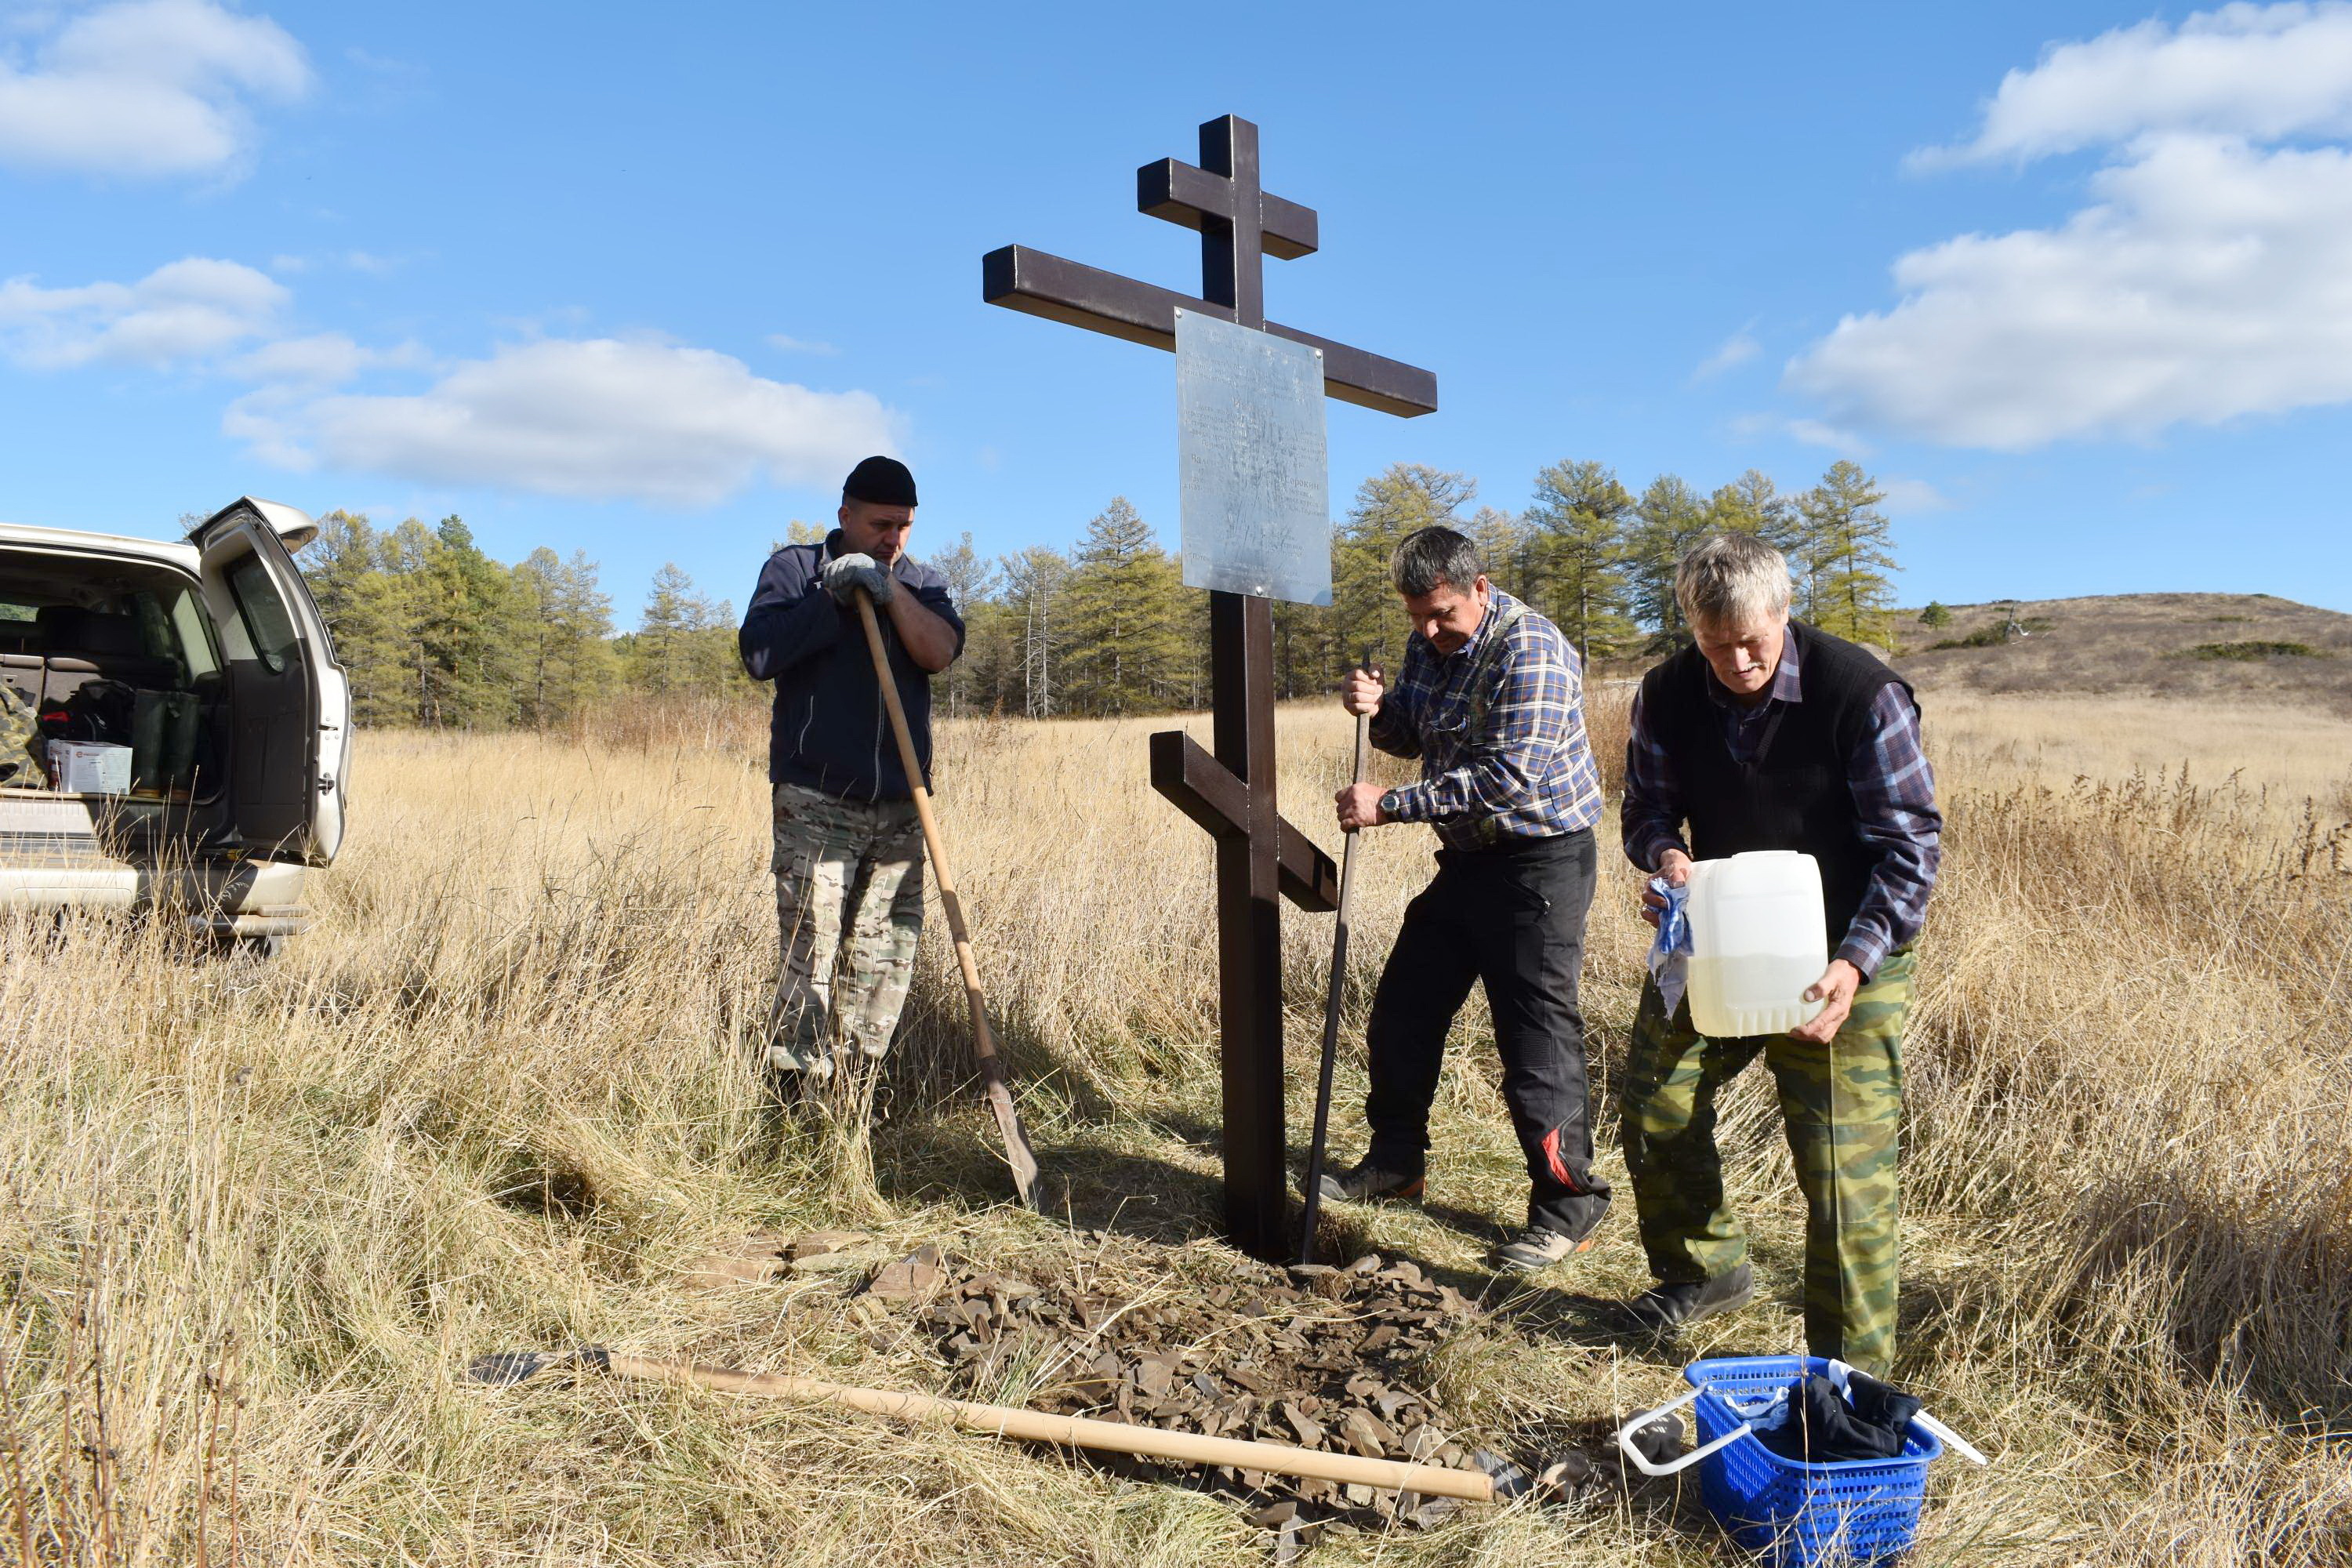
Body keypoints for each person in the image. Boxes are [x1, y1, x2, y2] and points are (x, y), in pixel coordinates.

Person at [1616, 532, 1941, 1377]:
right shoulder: (1667, 693)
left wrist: (1854, 964)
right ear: (1689, 625)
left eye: (1753, 640)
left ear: (1785, 611)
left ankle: (1849, 1380)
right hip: (1721, 934)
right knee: (1656, 1098)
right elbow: (1645, 809)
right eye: (1714, 645)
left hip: (1844, 951)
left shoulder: (1861, 694)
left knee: (1844, 1177)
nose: (1737, 660)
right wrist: (1664, 857)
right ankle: (1705, 1268)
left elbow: (1910, 853)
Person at [1317, 525, 1612, 1272]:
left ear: (1479, 588)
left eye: (1442, 613)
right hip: (1469, 859)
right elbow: (1411, 735)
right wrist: (1376, 709)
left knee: (1534, 1041)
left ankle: (1567, 1208)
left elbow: (1505, 779)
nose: (1428, 630)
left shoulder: (1533, 651)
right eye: (1417, 615)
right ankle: (1395, 1165)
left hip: (1542, 864)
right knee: (1404, 1007)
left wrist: (1387, 807)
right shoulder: (1430, 642)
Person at [737, 456, 964, 1102]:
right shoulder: (794, 570)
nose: (893, 539)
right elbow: (759, 654)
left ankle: (858, 1094)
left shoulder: (923, 583)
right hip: (815, 797)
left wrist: (890, 595)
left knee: (887, 953)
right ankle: (796, 1097)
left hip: (901, 803)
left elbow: (939, 651)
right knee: (810, 945)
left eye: (904, 526)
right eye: (880, 524)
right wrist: (832, 602)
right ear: (845, 516)